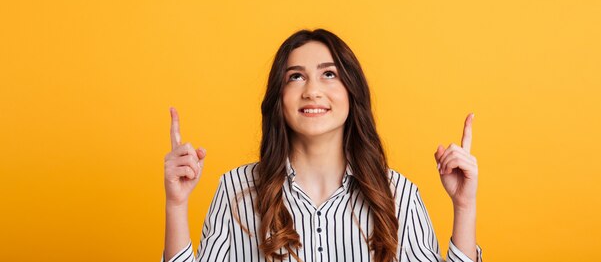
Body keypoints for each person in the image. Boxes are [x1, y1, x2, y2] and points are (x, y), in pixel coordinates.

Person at [162, 28, 483, 262]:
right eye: (296, 77)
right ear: (279, 97)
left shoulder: (399, 196)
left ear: (352, 91)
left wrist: (464, 207)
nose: (313, 91)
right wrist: (176, 205)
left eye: (329, 74)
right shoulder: (236, 191)